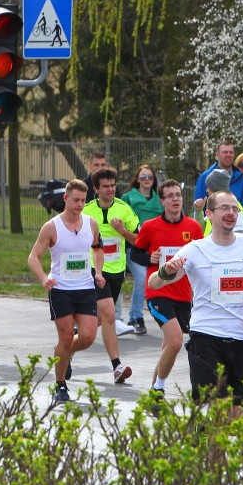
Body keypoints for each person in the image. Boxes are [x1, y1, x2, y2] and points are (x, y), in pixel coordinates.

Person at [148, 190, 243, 417]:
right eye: (224, 208)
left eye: (234, 208)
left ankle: (200, 436)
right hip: (207, 338)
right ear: (209, 214)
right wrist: (167, 270)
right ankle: (203, 443)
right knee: (215, 414)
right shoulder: (195, 249)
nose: (231, 213)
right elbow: (154, 283)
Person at [27, 179, 105, 403]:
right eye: (76, 200)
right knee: (66, 336)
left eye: (83, 200)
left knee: (88, 336)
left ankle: (65, 352)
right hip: (60, 289)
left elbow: (98, 249)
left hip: (85, 287)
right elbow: (33, 257)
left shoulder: (91, 224)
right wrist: (44, 278)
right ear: (65, 199)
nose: (80, 205)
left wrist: (98, 272)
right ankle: (60, 384)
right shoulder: (52, 227)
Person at [131, 179, 203, 407]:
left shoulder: (193, 227)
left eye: (178, 195)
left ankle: (154, 393)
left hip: (184, 296)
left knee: (168, 348)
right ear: (161, 202)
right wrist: (149, 258)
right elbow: (135, 254)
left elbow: (201, 258)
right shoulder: (151, 226)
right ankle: (159, 389)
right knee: (175, 341)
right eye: (170, 196)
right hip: (158, 294)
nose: (175, 199)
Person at [82, 167, 136, 384]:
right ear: (96, 189)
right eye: (106, 186)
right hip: (95, 272)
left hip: (116, 272)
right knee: (110, 316)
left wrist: (122, 231)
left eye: (113, 185)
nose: (111, 189)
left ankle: (66, 351)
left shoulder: (124, 209)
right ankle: (117, 366)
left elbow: (138, 241)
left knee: (94, 323)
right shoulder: (86, 211)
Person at [121, 164, 164, 335]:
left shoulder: (159, 199)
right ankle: (136, 317)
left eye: (150, 177)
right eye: (143, 177)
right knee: (141, 278)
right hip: (133, 246)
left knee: (157, 279)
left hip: (154, 247)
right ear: (137, 179)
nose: (147, 180)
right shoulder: (128, 197)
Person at [193, 141, 243, 211]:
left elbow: (242, 206)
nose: (228, 155)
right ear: (217, 155)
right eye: (225, 152)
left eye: (231, 152)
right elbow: (198, 206)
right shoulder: (205, 177)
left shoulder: (240, 178)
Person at [197, 169, 243, 235]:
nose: (207, 190)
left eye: (209, 187)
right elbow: (201, 229)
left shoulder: (235, 207)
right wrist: (198, 211)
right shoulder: (215, 205)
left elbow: (237, 237)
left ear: (215, 189)